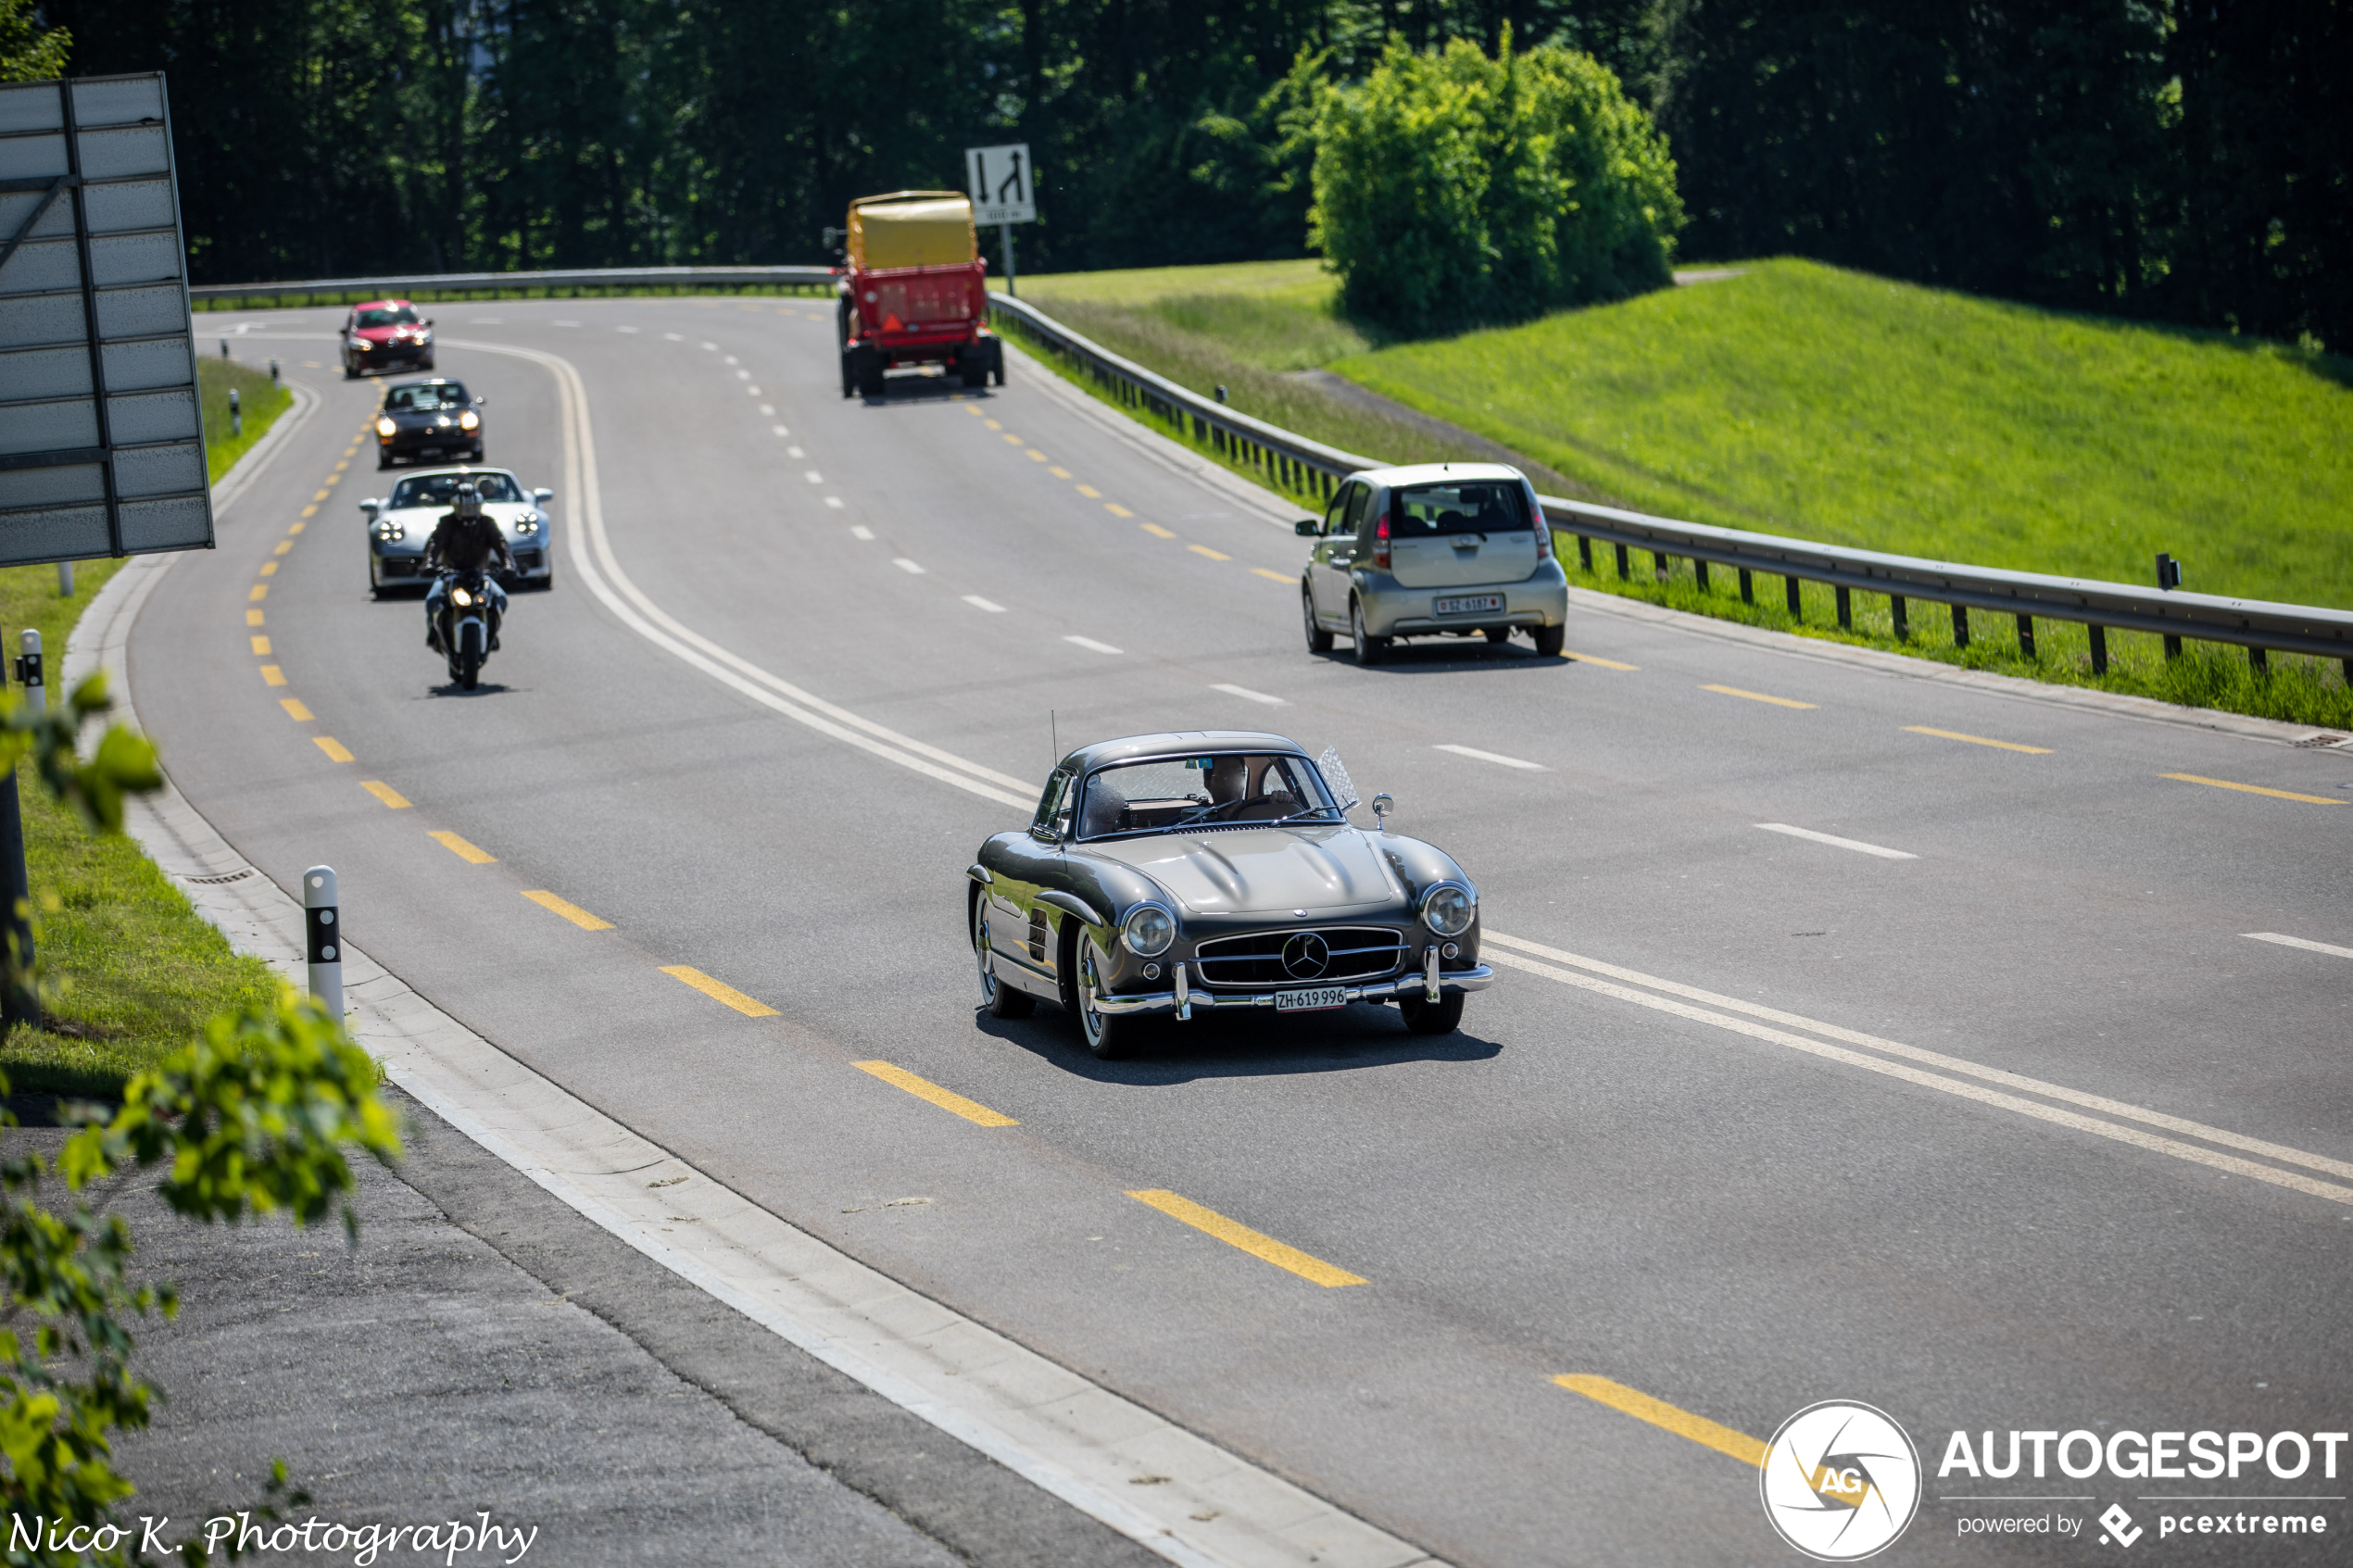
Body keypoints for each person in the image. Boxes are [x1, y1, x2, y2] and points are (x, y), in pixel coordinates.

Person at [422, 482, 513, 653]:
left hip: (480, 574)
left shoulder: (487, 523)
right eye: (464, 507)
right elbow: (434, 543)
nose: (469, 511)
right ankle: (433, 632)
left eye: (472, 506)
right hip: (451, 574)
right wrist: (428, 563)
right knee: (431, 601)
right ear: (455, 506)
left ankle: (491, 632)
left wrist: (508, 565)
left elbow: (502, 545)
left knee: (501, 598)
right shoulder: (447, 523)